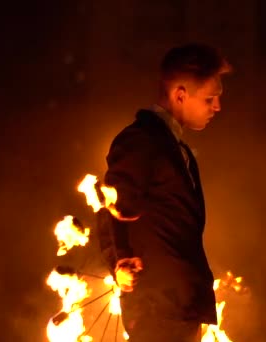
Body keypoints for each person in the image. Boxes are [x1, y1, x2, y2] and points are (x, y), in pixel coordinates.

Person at [94, 44, 232, 342]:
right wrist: (119, 261)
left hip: (180, 307)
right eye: (210, 98)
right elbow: (110, 206)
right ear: (180, 95)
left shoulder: (175, 147)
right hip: (156, 309)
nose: (217, 106)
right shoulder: (140, 140)